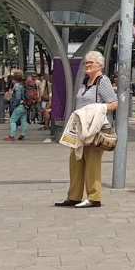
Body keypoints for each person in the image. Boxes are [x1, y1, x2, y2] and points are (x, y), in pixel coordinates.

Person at [56, 51, 117, 208]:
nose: (87, 65)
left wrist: (97, 109)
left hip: (97, 129)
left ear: (100, 65)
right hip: (81, 128)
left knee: (92, 162)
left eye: (91, 63)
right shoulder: (85, 81)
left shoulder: (103, 81)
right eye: (86, 63)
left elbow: (114, 103)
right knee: (75, 159)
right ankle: (74, 196)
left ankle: (94, 197)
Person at [5, 71, 29, 141]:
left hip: (19, 105)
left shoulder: (17, 87)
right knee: (23, 120)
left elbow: (18, 97)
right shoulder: (23, 85)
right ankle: (22, 135)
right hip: (25, 105)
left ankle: (11, 136)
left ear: (14, 80)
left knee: (12, 120)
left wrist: (15, 104)